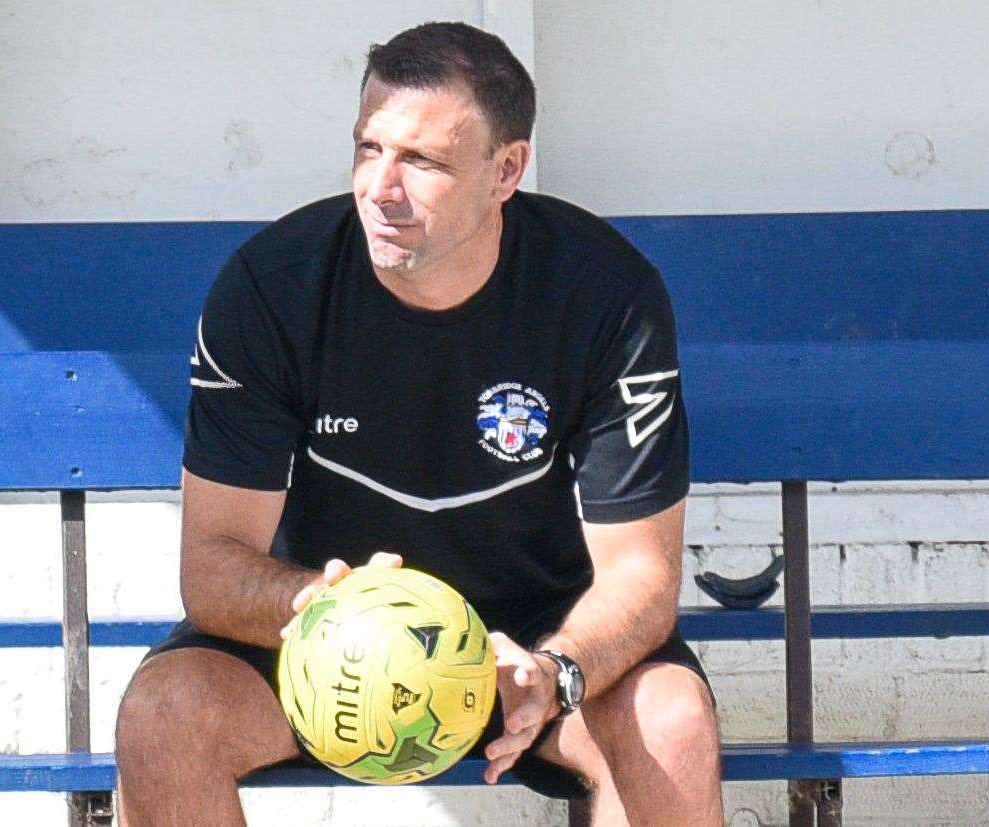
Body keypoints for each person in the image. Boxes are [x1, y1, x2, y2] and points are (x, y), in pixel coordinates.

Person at [115, 20, 723, 826]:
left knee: (672, 722)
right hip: (330, 639)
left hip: (532, 644)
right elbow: (213, 565)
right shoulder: (270, 289)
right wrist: (332, 610)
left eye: (421, 161)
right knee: (165, 716)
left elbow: (642, 574)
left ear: (507, 170)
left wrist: (557, 669)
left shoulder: (606, 295)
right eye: (369, 148)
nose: (380, 186)